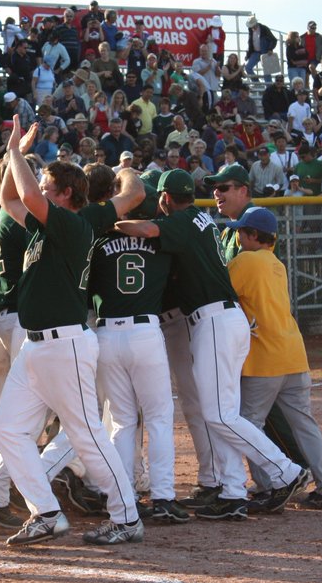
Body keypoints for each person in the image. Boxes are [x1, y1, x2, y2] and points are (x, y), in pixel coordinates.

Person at [115, 169, 310, 520]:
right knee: (221, 413)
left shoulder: (184, 219)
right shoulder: (200, 217)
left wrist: (108, 223)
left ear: (165, 198)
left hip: (215, 321)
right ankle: (233, 492)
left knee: (219, 414)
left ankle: (287, 471)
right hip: (220, 320)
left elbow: (145, 230)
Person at [0, 116, 145, 546]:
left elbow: (25, 194)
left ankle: (126, 516)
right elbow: (9, 199)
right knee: (8, 430)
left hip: (66, 344)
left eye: (46, 183)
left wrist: (18, 151)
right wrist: (11, 152)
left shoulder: (70, 223)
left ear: (65, 194)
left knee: (87, 434)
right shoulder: (46, 223)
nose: (39, 187)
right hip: (36, 348)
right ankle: (46, 511)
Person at [225, 207, 322, 511]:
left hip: (265, 359)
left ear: (252, 235)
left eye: (241, 231)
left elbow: (220, 292)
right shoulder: (276, 263)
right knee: (303, 422)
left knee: (250, 424)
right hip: (294, 354)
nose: (237, 236)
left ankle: (267, 488)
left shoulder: (245, 261)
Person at [87, 181, 190, 524]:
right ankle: (162, 497)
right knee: (159, 419)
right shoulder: (158, 239)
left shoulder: (98, 242)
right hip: (145, 332)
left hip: (105, 334)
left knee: (121, 421)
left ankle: (122, 495)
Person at [243, 16, 277, 80]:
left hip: (265, 52)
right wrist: (248, 55)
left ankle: (269, 87)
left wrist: (270, 49)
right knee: (248, 67)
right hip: (255, 52)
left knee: (267, 71)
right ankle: (257, 84)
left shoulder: (264, 28)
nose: (252, 27)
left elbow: (273, 40)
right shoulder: (250, 30)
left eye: (253, 26)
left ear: (256, 23)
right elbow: (250, 43)